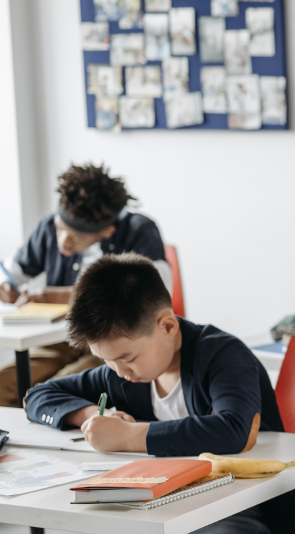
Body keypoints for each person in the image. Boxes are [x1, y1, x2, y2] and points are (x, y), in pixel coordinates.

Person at [23, 254, 295, 534]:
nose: (119, 373)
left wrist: (130, 438)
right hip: (160, 518)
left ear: (167, 326)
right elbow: (39, 395)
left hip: (240, 522)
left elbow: (233, 428)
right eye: (107, 362)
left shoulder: (223, 355)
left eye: (125, 358)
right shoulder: (127, 373)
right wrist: (90, 413)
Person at [0, 163, 170, 407]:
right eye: (60, 230)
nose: (64, 243)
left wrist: (56, 296)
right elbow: (12, 269)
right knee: (5, 384)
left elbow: (157, 294)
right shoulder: (48, 226)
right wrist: (6, 284)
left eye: (76, 237)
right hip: (61, 339)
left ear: (106, 231)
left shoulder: (139, 231)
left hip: (113, 343)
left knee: (53, 392)